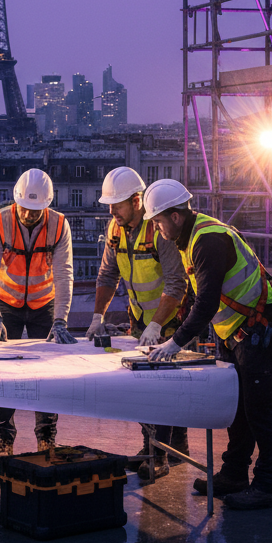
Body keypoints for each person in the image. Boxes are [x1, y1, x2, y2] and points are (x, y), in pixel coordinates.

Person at [144, 179, 272, 511]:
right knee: (240, 410)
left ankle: (267, 485)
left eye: (158, 220)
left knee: (261, 411)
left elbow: (206, 304)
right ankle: (235, 474)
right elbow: (200, 296)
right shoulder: (188, 237)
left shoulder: (206, 240)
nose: (156, 227)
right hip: (238, 331)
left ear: (177, 216)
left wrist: (175, 343)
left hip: (258, 329)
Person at [86, 167, 189, 483]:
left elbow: (176, 283)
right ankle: (169, 449)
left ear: (136, 201)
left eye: (116, 204)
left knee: (165, 391)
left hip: (169, 321)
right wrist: (97, 316)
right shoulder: (116, 229)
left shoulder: (158, 228)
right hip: (140, 321)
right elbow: (107, 275)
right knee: (150, 390)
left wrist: (158, 324)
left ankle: (156, 456)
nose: (111, 210)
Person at [0, 168, 76, 461]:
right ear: (16, 201)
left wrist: (61, 320)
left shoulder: (59, 225)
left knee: (46, 375)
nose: (29, 215)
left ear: (46, 206)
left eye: (36, 211)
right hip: (6, 303)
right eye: (25, 209)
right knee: (3, 374)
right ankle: (3, 441)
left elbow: (64, 274)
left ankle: (47, 438)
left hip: (44, 303)